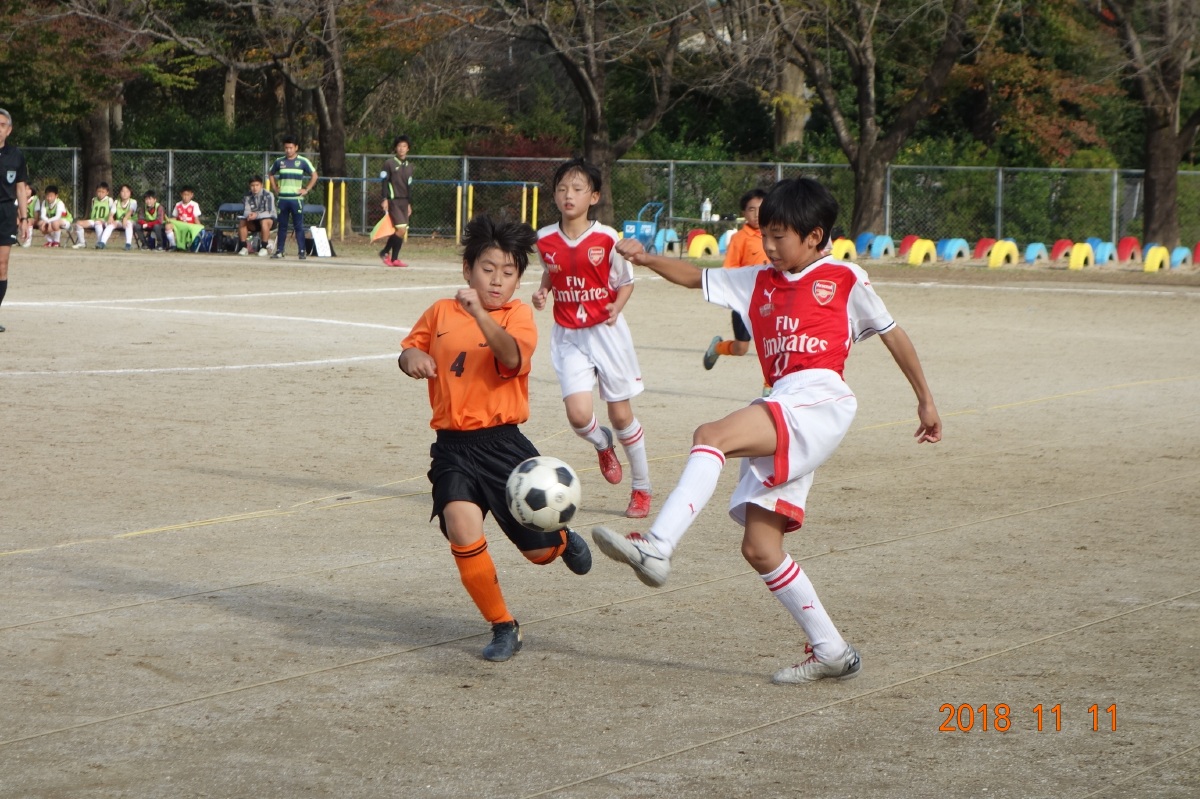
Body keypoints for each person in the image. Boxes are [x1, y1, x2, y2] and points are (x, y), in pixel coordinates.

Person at [594, 177, 942, 685]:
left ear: (814, 236)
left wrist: (925, 399)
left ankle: (658, 546)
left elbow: (893, 334)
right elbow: (695, 278)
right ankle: (832, 650)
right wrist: (646, 259)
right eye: (766, 235)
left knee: (710, 434)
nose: (770, 246)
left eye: (780, 236)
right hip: (785, 400)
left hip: (819, 397)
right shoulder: (757, 279)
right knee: (760, 547)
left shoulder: (844, 276)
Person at [398, 215, 593, 662]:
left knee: (538, 554)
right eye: (487, 269)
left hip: (504, 446)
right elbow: (411, 347)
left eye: (508, 272)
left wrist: (480, 315)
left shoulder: (518, 316)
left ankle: (562, 541)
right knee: (460, 526)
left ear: (519, 280)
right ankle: (503, 625)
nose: (497, 280)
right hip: (452, 447)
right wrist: (411, 359)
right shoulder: (440, 311)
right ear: (467, 270)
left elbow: (510, 356)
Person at [532, 158, 654, 519]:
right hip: (568, 336)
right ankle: (602, 443)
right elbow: (552, 271)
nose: (568, 195)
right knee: (578, 415)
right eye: (562, 189)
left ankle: (642, 489)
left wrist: (616, 307)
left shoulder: (608, 238)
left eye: (577, 189)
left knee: (621, 415)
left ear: (594, 196)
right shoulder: (544, 238)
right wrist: (543, 291)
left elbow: (626, 282)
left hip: (607, 334)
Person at [703, 188, 769, 370]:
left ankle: (771, 383)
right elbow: (729, 270)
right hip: (745, 301)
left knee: (775, 345)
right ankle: (717, 347)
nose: (757, 214)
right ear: (744, 213)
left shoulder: (775, 234)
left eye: (762, 209)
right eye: (751, 209)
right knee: (741, 348)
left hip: (770, 300)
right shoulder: (740, 239)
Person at [0, 107, 31, 333]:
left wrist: (24, 217)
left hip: (5, 213)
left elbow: (20, 188)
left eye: (2, 125)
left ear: (9, 130)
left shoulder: (16, 155)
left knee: (2, 265)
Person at [268, 136, 318, 260]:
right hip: (283, 199)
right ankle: (280, 250)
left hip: (296, 199)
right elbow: (270, 173)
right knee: (282, 226)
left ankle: (302, 251)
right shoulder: (279, 161)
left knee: (298, 226)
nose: (288, 150)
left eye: (290, 147)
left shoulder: (302, 161)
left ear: (296, 148)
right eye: (286, 148)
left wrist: (306, 189)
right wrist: (275, 187)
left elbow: (314, 175)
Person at [379, 134, 414, 267]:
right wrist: (384, 199)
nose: (401, 149)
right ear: (395, 148)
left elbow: (409, 186)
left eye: (404, 146)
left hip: (404, 202)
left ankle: (394, 259)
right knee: (401, 230)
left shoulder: (410, 166)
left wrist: (409, 203)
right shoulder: (389, 163)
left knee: (401, 231)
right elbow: (384, 182)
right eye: (399, 146)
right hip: (394, 201)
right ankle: (384, 252)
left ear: (408, 149)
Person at [237, 176, 276, 257]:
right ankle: (244, 248)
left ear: (261, 185)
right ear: (249, 186)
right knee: (242, 221)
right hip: (254, 221)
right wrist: (249, 215)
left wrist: (256, 215)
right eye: (252, 185)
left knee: (264, 221)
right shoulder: (247, 196)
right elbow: (246, 210)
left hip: (269, 221)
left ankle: (264, 247)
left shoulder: (268, 195)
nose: (255, 188)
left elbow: (269, 212)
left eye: (257, 185)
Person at [74, 182, 114, 249]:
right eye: (99, 191)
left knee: (98, 222)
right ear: (96, 191)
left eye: (103, 192)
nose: (100, 193)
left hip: (104, 221)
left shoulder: (109, 200)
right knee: (78, 223)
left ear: (107, 193)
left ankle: (100, 242)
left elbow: (112, 211)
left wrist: (108, 219)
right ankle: (82, 243)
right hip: (94, 220)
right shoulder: (93, 200)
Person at [100, 184, 138, 251]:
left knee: (128, 223)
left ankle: (128, 244)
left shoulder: (133, 201)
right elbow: (112, 211)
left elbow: (131, 211)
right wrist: (110, 217)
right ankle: (102, 243)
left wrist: (125, 218)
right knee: (111, 224)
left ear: (130, 193)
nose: (125, 193)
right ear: (120, 193)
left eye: (127, 191)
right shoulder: (116, 201)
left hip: (131, 221)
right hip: (120, 221)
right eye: (123, 191)